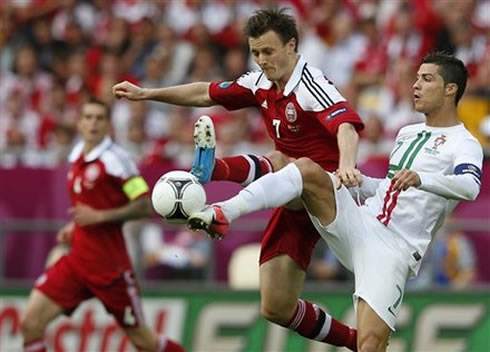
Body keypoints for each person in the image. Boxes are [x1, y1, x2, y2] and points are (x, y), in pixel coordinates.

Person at [187, 52, 483, 351]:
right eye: (417, 78)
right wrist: (359, 181)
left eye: (427, 79)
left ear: (451, 89)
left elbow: (469, 187)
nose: (416, 85)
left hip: (394, 250)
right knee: (305, 169)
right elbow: (392, 187)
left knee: (369, 345)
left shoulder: (464, 143)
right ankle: (224, 210)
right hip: (361, 223)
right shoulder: (407, 133)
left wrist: (422, 179)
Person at [113, 8, 363, 350]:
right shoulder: (259, 83)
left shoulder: (310, 83)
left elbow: (346, 126)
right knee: (275, 307)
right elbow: (205, 93)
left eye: (269, 51)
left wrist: (348, 164)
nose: (261, 60)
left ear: (291, 46)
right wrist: (147, 94)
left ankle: (217, 185)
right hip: (289, 197)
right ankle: (358, 342)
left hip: (329, 191)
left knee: (284, 160)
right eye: (256, 52)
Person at [20, 98, 184, 352]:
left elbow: (143, 204)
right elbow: (89, 202)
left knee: (144, 342)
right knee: (30, 324)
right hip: (77, 263)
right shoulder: (76, 156)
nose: (93, 123)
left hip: (110, 269)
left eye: (99, 118)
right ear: (80, 123)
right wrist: (75, 227)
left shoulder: (117, 161)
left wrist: (100, 217)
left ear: (108, 125)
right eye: (88, 117)